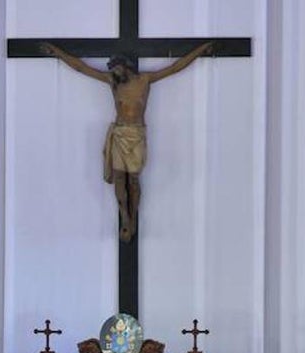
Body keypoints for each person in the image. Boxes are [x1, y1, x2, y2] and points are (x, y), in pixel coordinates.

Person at [43, 42, 214, 241]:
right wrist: (56, 52)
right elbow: (81, 67)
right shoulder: (113, 82)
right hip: (120, 133)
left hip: (136, 136)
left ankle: (133, 215)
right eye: (112, 70)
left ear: (126, 66)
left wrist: (201, 51)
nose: (114, 72)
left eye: (116, 68)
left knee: (133, 180)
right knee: (118, 178)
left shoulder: (145, 80)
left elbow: (176, 67)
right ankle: (124, 216)